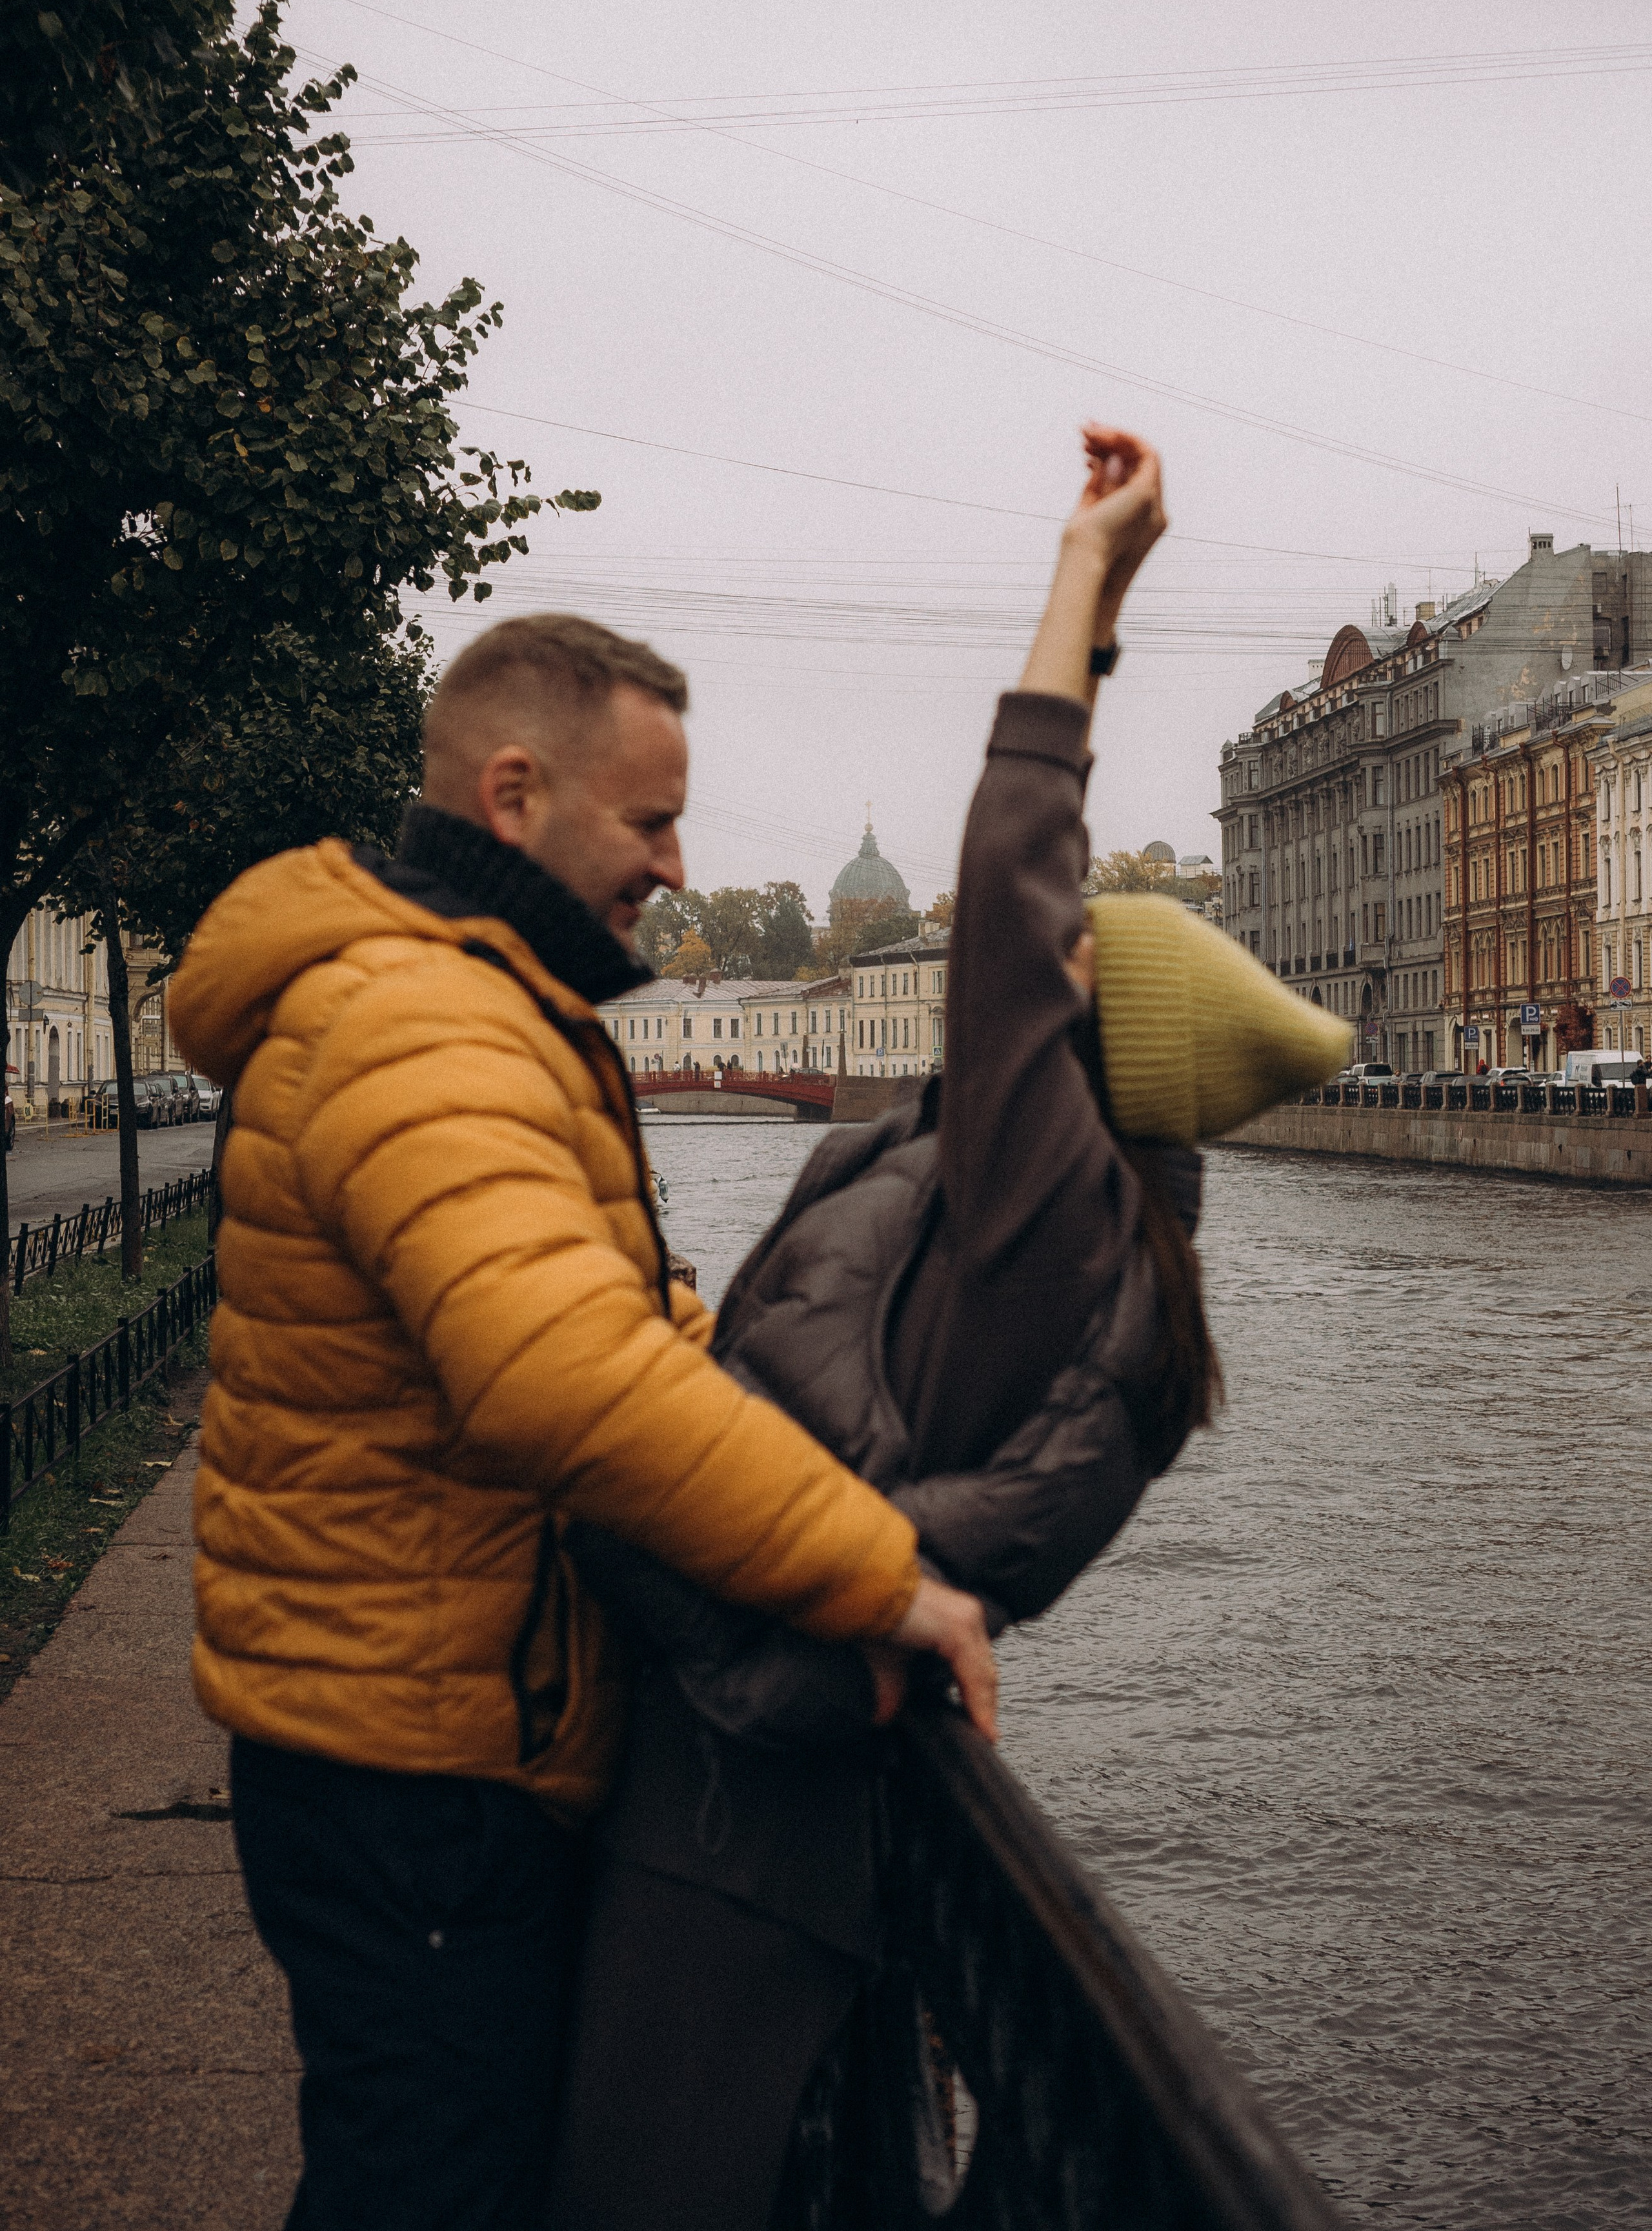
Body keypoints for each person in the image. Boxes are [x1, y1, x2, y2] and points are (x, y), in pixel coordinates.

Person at [552, 430, 1353, 2228]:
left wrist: (1088, 586)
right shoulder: (1083, 1246)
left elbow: (1009, 872)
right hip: (743, 1749)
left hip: (740, 1796)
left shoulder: (1052, 1216)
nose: (1041, 956)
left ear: (1104, 1045)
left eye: (1077, 957)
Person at [168, 615, 995, 2231]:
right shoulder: (422, 1021)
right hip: (416, 1759)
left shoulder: (468, 996)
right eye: (648, 820)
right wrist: (872, 1570)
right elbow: (559, 1371)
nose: (676, 868)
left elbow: (619, 1317)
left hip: (424, 1716)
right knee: (425, 2189)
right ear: (513, 792)